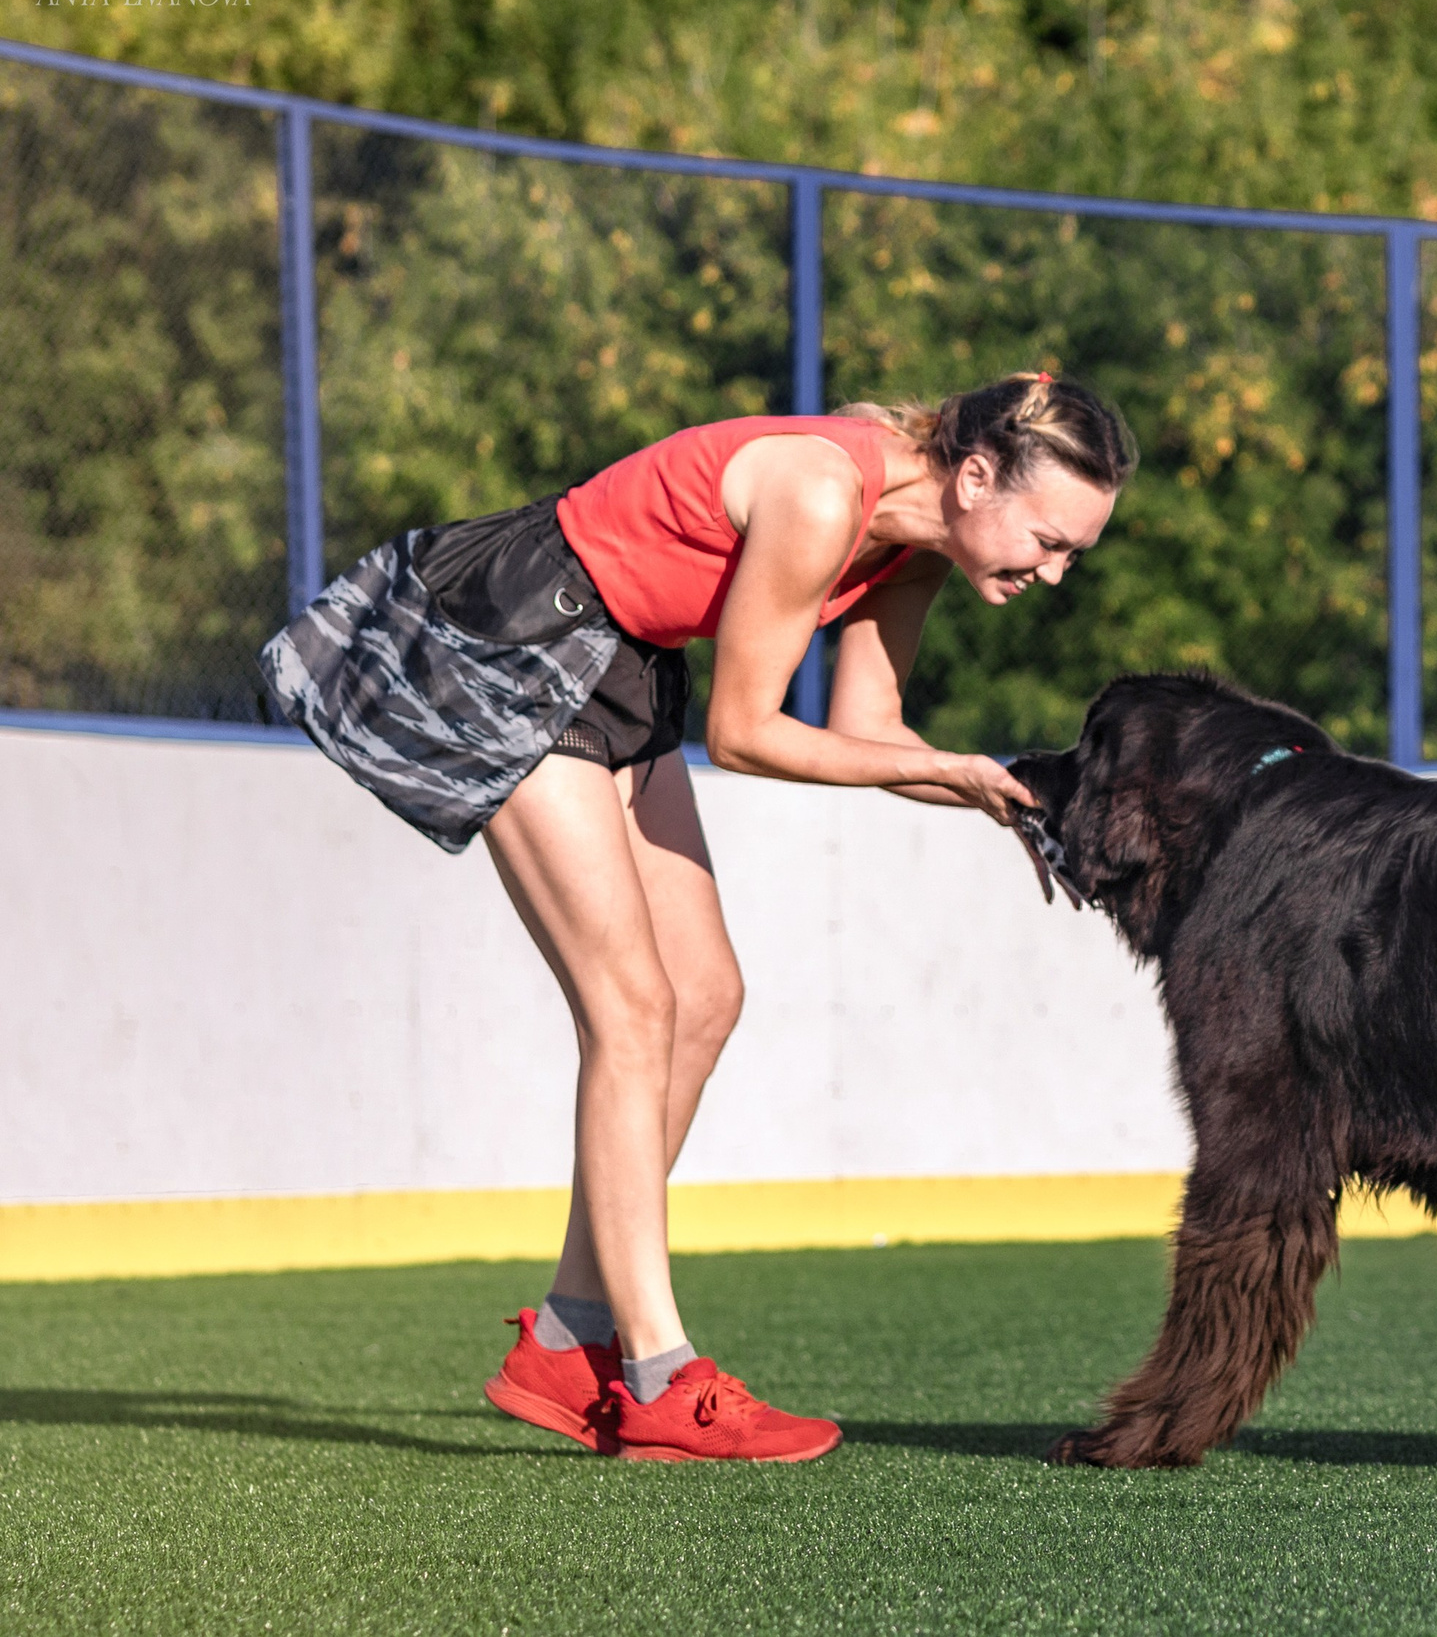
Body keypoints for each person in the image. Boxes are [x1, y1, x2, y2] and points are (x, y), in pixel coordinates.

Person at [260, 372, 1133, 1461]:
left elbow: (870, 723)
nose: (1052, 570)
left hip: (624, 662)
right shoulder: (823, 493)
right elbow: (747, 732)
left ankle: (567, 1336)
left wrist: (1008, 795)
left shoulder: (917, 550)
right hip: (525, 633)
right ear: (973, 476)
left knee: (704, 999)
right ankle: (659, 1367)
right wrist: (952, 770)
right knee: (632, 1009)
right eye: (1047, 538)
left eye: (1073, 554)